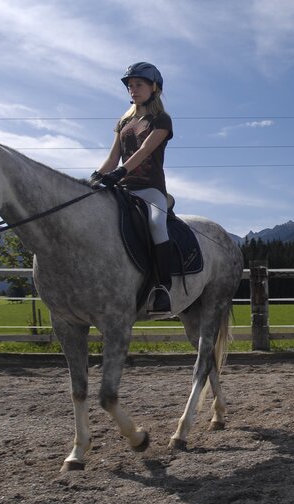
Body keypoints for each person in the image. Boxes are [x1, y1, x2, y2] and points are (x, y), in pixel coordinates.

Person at [92, 62, 174, 315]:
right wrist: (95, 177)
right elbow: (112, 157)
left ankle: (163, 287)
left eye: (138, 84)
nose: (133, 89)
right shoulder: (123, 122)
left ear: (154, 88)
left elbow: (146, 150)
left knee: (157, 224)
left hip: (150, 189)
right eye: (130, 85)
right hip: (121, 189)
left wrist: (121, 172)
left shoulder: (161, 119)